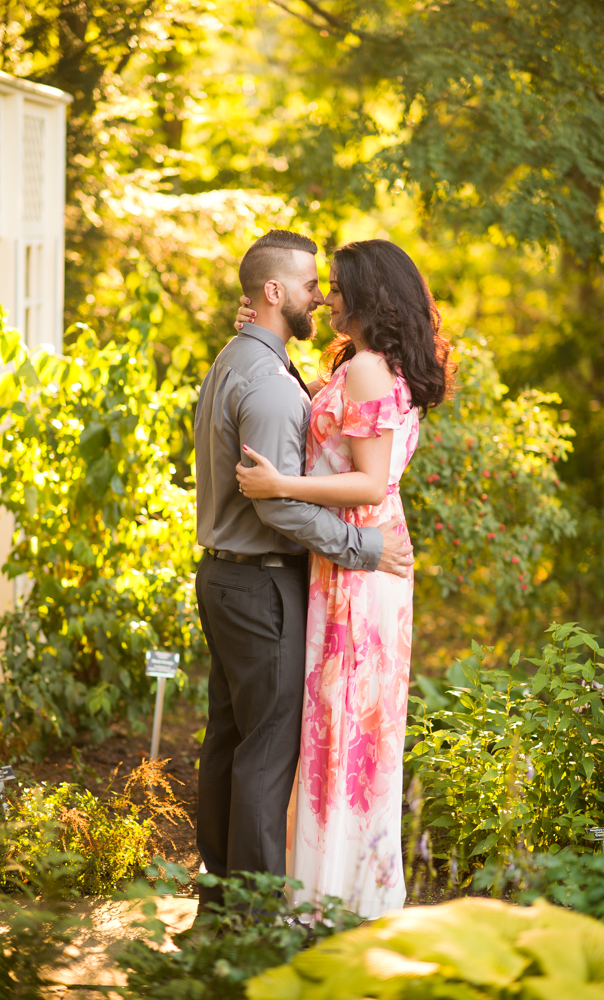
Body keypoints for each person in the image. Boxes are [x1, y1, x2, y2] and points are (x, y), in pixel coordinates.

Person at [193, 229, 412, 911]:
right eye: (312, 284)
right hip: (261, 583)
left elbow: (325, 434)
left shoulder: (245, 360)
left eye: (331, 286)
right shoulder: (267, 380)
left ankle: (222, 909)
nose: (320, 295)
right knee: (265, 753)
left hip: (231, 578)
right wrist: (366, 550)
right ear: (273, 293)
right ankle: (253, 926)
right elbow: (278, 511)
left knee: (232, 744)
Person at [234, 239, 453, 918]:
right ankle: (336, 890)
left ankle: (336, 899)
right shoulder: (361, 364)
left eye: (334, 286)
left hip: (362, 562)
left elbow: (365, 477)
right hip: (351, 557)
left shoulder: (365, 367)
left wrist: (277, 483)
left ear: (367, 295)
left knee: (346, 730)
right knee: (338, 728)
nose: (325, 296)